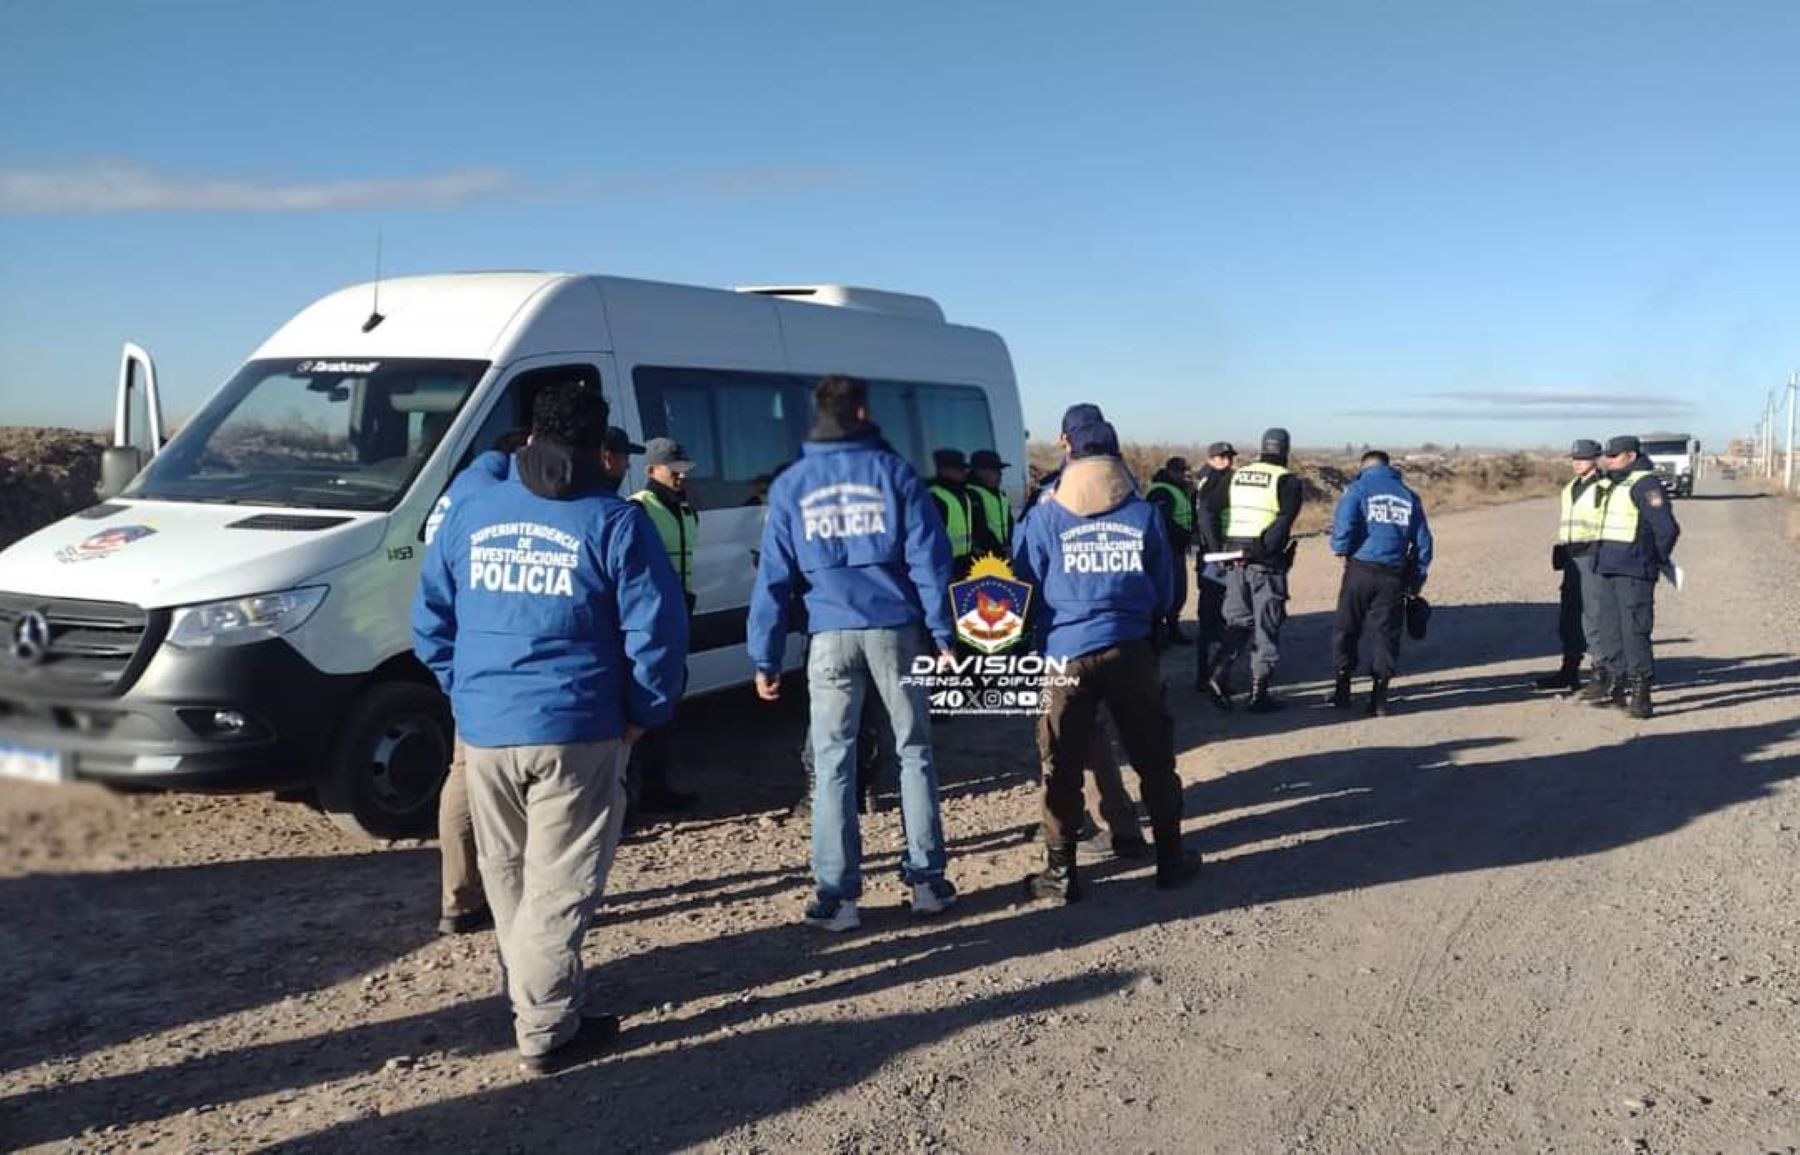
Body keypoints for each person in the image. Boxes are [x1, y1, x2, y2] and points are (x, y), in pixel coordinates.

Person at [411, 382, 688, 1076]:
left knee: (508, 875)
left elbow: (430, 620)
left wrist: (466, 694)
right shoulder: (615, 521)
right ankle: (543, 1026)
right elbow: (657, 635)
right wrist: (642, 715)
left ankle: (531, 991)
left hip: (485, 731)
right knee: (560, 885)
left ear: (531, 432)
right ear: (601, 446)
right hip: (577, 728)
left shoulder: (473, 509)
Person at [747, 373, 959, 931]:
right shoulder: (895, 475)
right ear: (862, 415)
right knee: (913, 752)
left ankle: (837, 898)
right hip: (896, 630)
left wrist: (764, 656)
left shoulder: (792, 484)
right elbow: (928, 562)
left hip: (828, 637)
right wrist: (943, 634)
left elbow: (773, 578)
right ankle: (927, 884)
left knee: (833, 761)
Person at [1011, 413, 1200, 903]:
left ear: (1067, 448)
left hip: (1065, 657)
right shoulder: (1142, 514)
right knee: (1154, 759)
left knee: (1062, 765)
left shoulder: (1046, 514)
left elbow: (1023, 582)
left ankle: (1061, 873)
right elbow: (1167, 589)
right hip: (1130, 650)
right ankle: (1170, 858)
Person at [423, 439, 518, 937]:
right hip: (489, 654)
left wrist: (451, 674)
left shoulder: (457, 492)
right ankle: (505, 903)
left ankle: (457, 897)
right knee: (485, 783)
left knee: (463, 775)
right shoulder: (492, 496)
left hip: (466, 655)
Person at [1199, 426, 1305, 712]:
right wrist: (1263, 548)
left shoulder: (1238, 475)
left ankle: (1218, 675)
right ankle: (1260, 694)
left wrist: (1216, 547)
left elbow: (1207, 508)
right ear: (1285, 450)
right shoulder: (1288, 481)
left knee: (1238, 622)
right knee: (1266, 625)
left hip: (1233, 560)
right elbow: (1283, 522)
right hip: (1266, 563)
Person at [1577, 435, 1680, 718]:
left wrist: (1652, 559)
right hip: (1607, 567)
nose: (1608, 460)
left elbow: (1667, 529)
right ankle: (1617, 685)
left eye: (1614, 456)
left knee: (1634, 631)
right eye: (1607, 456)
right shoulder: (1614, 483)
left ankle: (1641, 692)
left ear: (1631, 456)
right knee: (1610, 630)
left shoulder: (1646, 484)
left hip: (1634, 571)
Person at [627, 437, 702, 815]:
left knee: (669, 701)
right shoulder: (639, 509)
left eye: (683, 469)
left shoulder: (686, 509)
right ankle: (629, 795)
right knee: (645, 701)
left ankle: (657, 787)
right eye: (672, 470)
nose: (679, 476)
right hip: (651, 615)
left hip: (680, 612)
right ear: (651, 470)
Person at [1328, 451, 1434, 716]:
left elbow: (1344, 524)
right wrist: (1417, 579)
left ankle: (1343, 687)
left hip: (1360, 570)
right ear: (1389, 468)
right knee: (1386, 635)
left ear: (1364, 467)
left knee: (1347, 627)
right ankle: (1379, 698)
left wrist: (1341, 548)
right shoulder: (1409, 496)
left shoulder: (1358, 488)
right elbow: (1424, 543)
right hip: (1393, 575)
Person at [1535, 440, 1606, 692]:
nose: (1577, 462)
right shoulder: (1570, 487)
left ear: (1596, 459)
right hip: (1571, 557)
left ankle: (1601, 673)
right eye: (1574, 458)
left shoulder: (1604, 488)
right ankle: (1569, 670)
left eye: (1583, 458)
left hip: (1593, 555)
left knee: (1594, 616)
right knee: (1569, 616)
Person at [1191, 442, 1237, 707]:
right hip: (1214, 560)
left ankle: (1206, 675)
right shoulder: (1211, 480)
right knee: (1216, 619)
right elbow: (1207, 515)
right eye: (1222, 457)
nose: (1227, 461)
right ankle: (1210, 676)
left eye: (1229, 457)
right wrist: (1218, 551)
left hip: (1209, 557)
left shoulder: (1206, 478)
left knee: (1212, 618)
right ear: (1211, 458)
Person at [1145, 456, 1197, 646]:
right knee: (1166, 593)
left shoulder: (1179, 489)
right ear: (1172, 472)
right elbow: (1163, 522)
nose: (1186, 475)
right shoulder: (1161, 491)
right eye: (1182, 471)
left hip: (1177, 549)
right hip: (1165, 549)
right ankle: (1157, 634)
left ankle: (1173, 629)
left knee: (1178, 593)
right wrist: (1184, 534)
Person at [926, 448, 977, 577]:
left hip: (965, 564)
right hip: (947, 567)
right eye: (960, 469)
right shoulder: (935, 497)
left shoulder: (962, 494)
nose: (965, 473)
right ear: (945, 470)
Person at [967, 448, 1015, 558]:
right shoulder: (971, 494)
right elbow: (979, 530)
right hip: (982, 558)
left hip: (1002, 555)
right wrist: (1000, 551)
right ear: (981, 472)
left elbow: (1010, 525)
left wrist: (1010, 546)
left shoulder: (1001, 495)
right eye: (996, 470)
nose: (1000, 475)